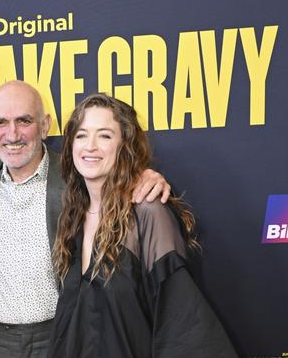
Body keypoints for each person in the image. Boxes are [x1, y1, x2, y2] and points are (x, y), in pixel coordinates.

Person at [0, 81, 172, 358]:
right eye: (0, 122)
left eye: (24, 121)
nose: (12, 134)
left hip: (58, 335)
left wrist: (145, 177)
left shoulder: (75, 177)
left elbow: (112, 175)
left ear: (45, 125)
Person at [49, 93, 237, 357]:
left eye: (104, 135)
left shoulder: (147, 213)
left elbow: (181, 323)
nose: (90, 146)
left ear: (124, 145)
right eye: (81, 135)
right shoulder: (72, 216)